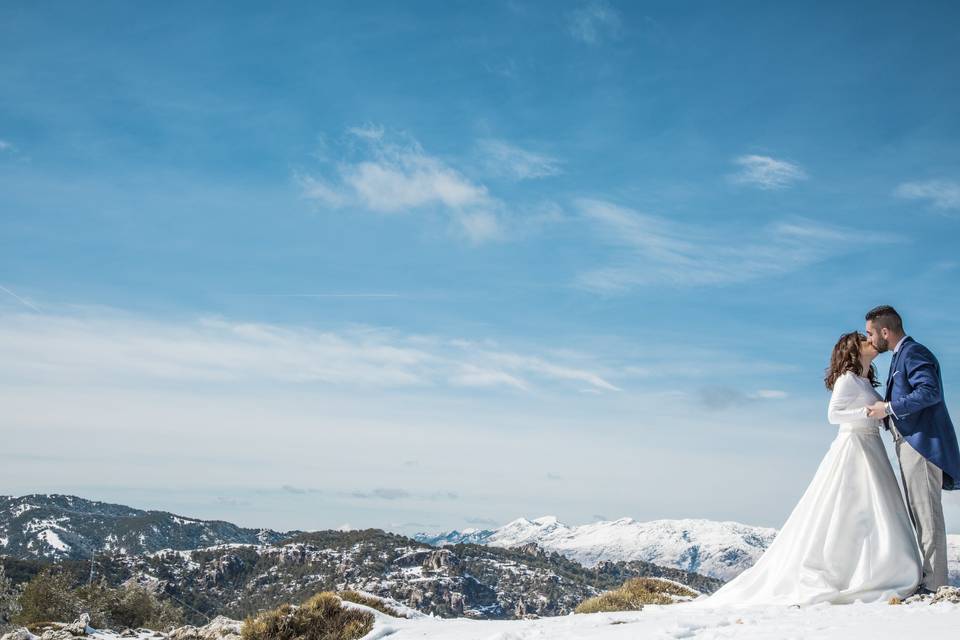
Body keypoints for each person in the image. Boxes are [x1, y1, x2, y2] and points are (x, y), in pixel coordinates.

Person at [694, 331, 921, 607]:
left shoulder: (863, 381)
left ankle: (878, 567)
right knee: (850, 508)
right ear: (852, 350)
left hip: (872, 448)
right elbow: (833, 415)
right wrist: (866, 413)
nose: (870, 342)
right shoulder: (846, 380)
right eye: (864, 340)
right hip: (854, 447)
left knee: (873, 511)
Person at [864, 305, 960, 593]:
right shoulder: (901, 356)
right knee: (921, 514)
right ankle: (931, 581)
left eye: (871, 333)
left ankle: (934, 585)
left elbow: (929, 392)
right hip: (911, 443)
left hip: (920, 444)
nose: (870, 339)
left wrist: (888, 407)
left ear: (885, 331)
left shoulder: (913, 353)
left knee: (926, 514)